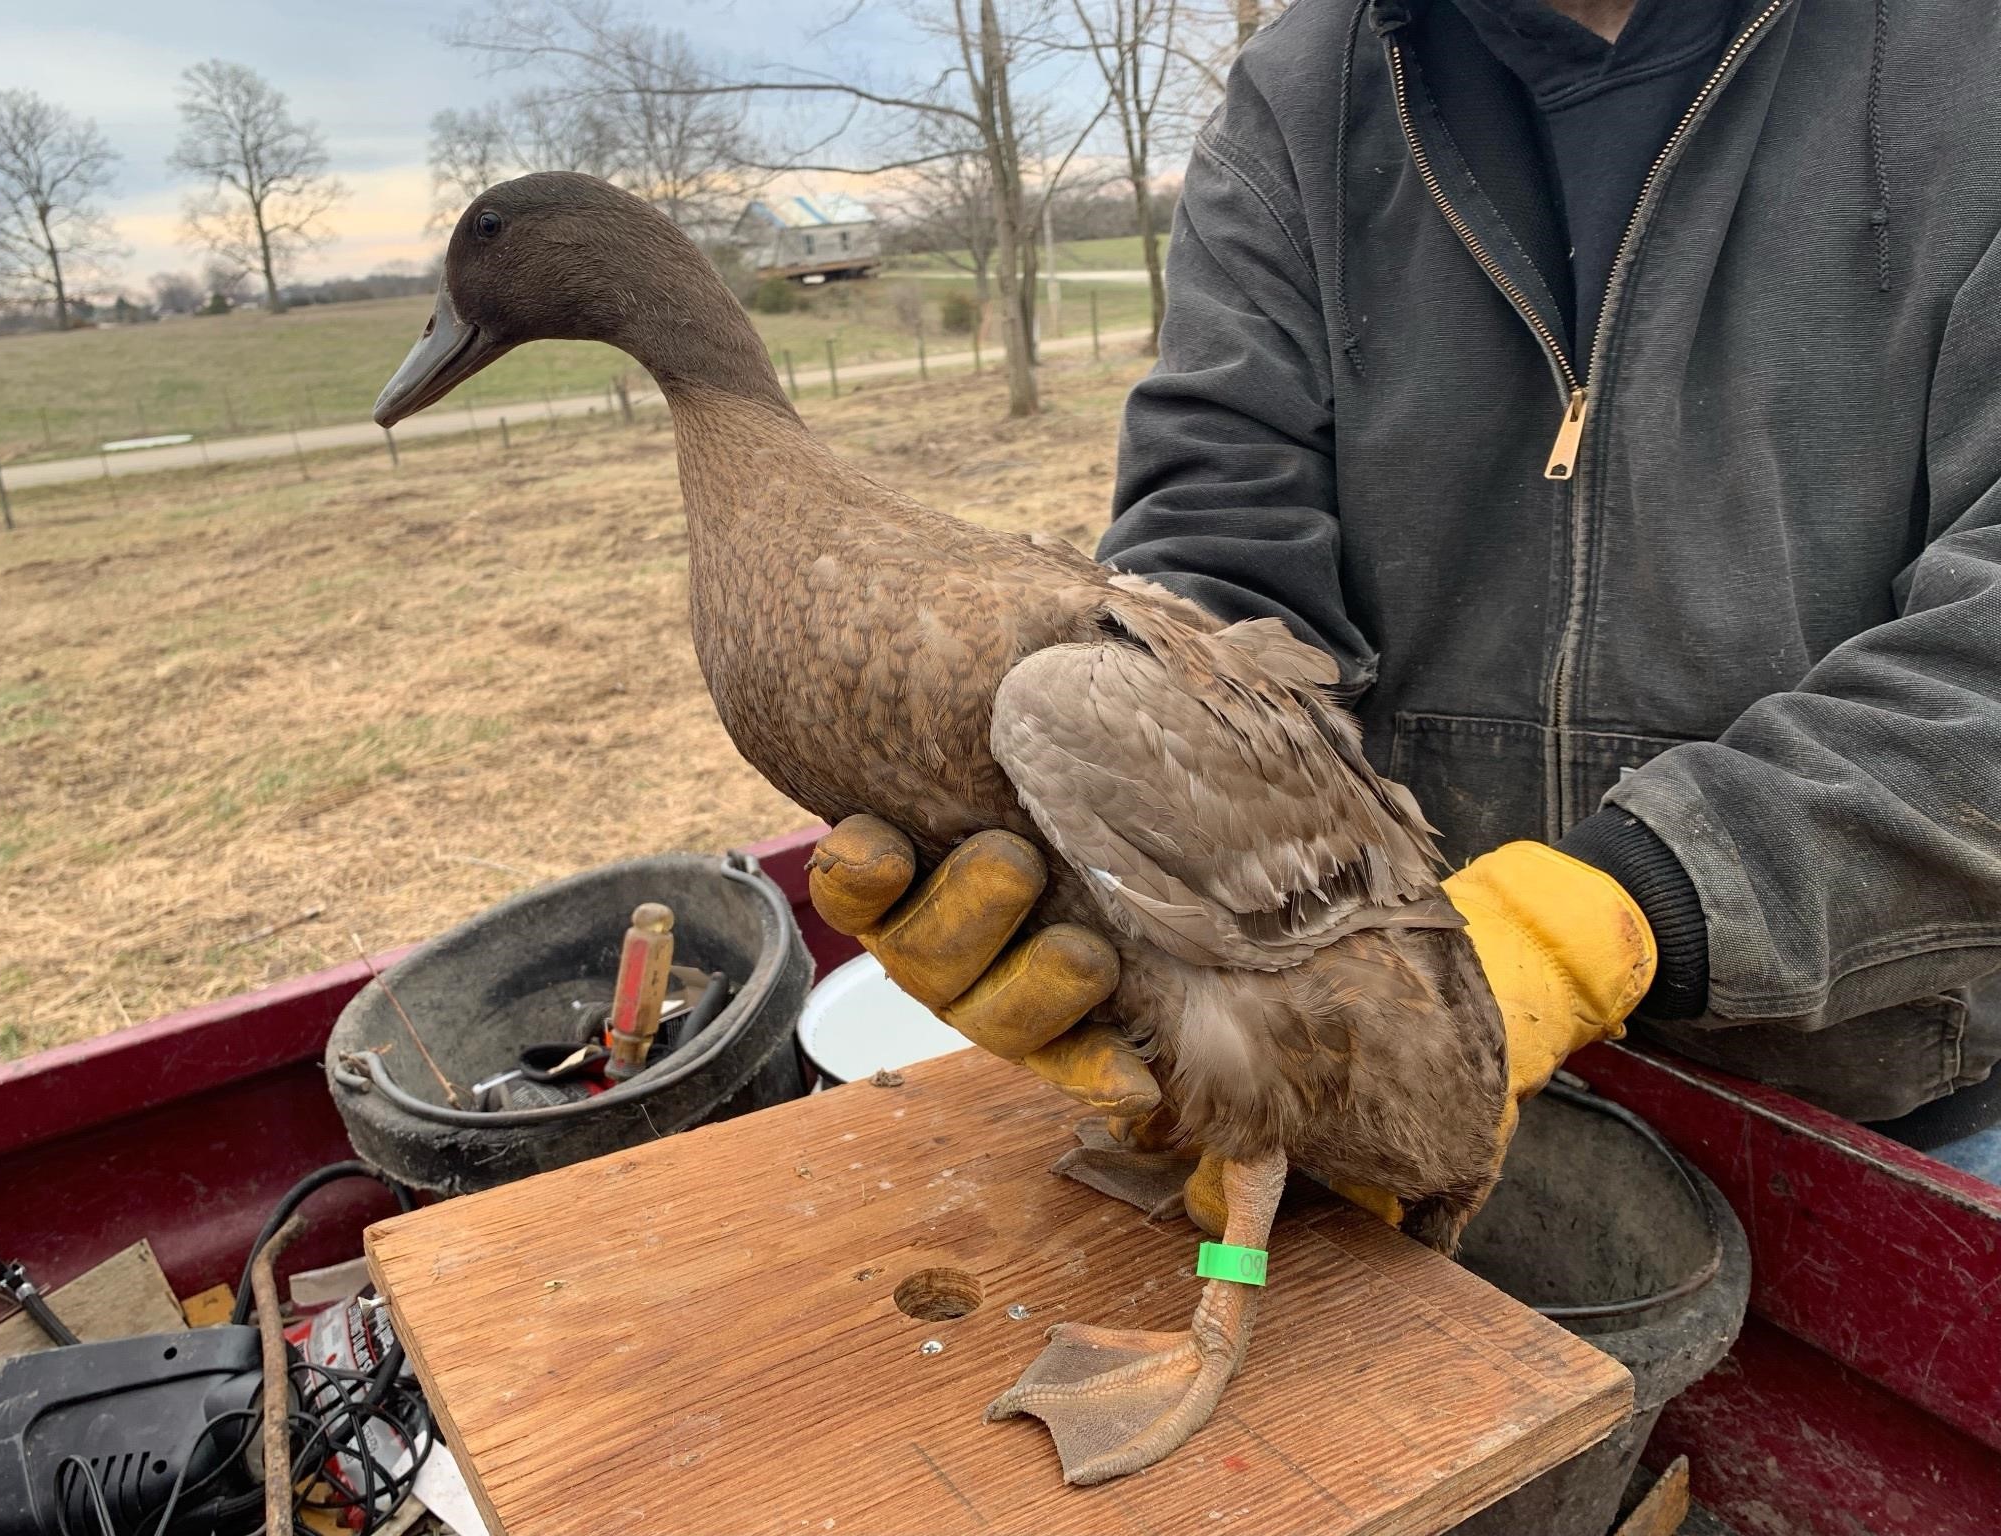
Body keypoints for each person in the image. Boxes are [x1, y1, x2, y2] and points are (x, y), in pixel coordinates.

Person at [810, 0, 2001, 1175]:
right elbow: (1220, 543)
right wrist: (1114, 834)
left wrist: (1603, 918)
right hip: (1373, 1061)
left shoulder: (1967, 66)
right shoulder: (1302, 94)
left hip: (1879, 1093)